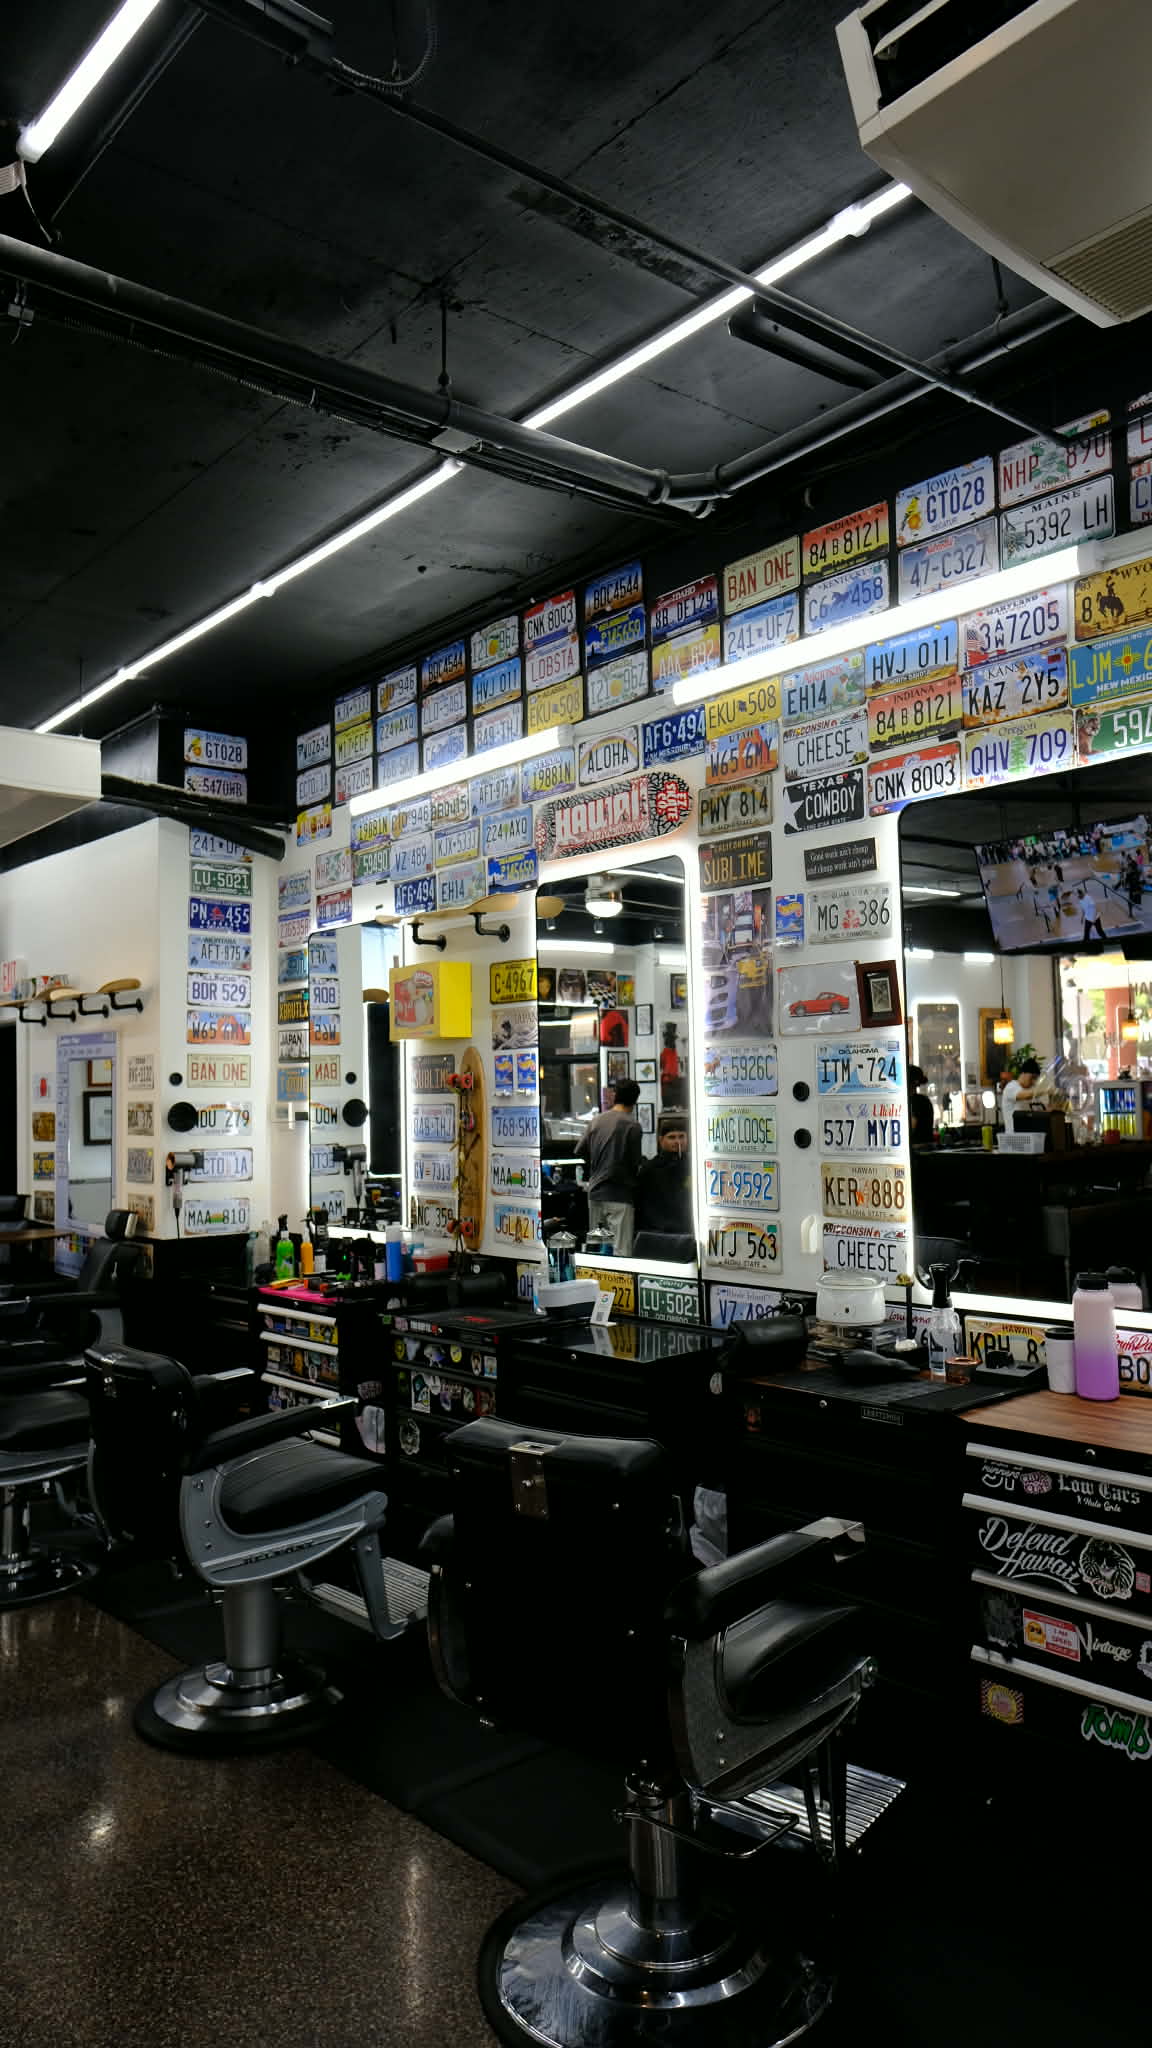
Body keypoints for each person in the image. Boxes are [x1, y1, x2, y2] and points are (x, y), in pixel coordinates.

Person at [577, 1078, 642, 1254]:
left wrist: (597, 1165)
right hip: (620, 1195)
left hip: (595, 1193)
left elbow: (580, 1150)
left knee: (596, 1249)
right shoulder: (632, 1126)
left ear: (615, 1096)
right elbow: (635, 1163)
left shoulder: (596, 1121)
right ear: (635, 1100)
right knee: (621, 1252)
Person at [635, 1121, 693, 1238]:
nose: (678, 1141)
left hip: (686, 1231)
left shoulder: (694, 1166)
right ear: (661, 1140)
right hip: (657, 1232)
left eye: (681, 1136)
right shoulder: (650, 1169)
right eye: (672, 1137)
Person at [1002, 1058, 1049, 1127]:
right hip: (1014, 1133)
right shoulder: (1011, 1087)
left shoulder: (1031, 1091)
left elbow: (1042, 1111)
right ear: (1023, 1073)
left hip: (1032, 1131)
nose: (1033, 1082)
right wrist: (1046, 1090)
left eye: (1035, 1079)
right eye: (1032, 1077)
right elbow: (1025, 1096)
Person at [908, 1065, 935, 1146]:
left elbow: (911, 1129)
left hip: (918, 1148)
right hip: (927, 1147)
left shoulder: (915, 1101)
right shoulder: (924, 1099)